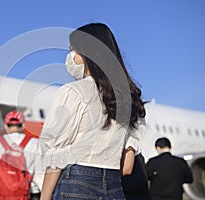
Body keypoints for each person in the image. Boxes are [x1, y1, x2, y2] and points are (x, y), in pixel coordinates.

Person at [39, 22, 146, 200]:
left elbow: (56, 155)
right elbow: (127, 168)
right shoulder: (130, 100)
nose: (71, 57)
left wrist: (44, 196)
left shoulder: (72, 92)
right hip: (114, 187)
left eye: (73, 50)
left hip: (76, 180)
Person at [0, 111, 43, 200]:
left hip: (2, 196)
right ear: (23, 125)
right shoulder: (35, 144)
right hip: (27, 195)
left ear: (5, 126)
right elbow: (41, 174)